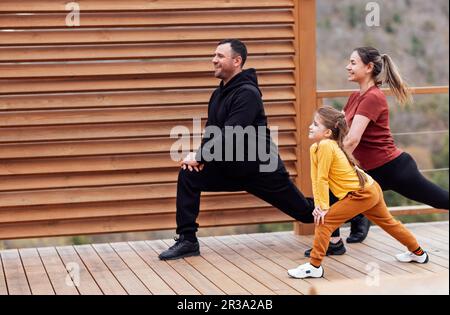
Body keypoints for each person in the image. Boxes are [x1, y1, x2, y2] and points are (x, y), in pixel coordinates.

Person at [158, 39, 317, 260]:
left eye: (220, 56)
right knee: (189, 175)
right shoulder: (218, 94)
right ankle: (188, 240)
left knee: (305, 213)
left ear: (237, 61)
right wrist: (201, 158)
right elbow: (213, 133)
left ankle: (350, 212)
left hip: (260, 169)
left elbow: (233, 133)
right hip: (230, 167)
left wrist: (201, 155)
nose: (214, 60)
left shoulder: (248, 94)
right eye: (214, 55)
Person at [305, 47, 449, 256]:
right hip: (372, 170)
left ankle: (354, 225)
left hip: (394, 169)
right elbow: (340, 129)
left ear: (369, 67)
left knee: (440, 200)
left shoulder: (373, 97)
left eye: (353, 63)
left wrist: (332, 158)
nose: (348, 66)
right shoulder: (355, 97)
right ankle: (335, 241)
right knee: (333, 190)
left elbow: (352, 138)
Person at [288, 106, 429, 279]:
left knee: (325, 222)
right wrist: (320, 205)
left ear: (327, 133)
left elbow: (322, 179)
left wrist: (323, 208)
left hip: (362, 194)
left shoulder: (326, 146)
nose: (310, 126)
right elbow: (317, 179)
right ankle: (419, 253)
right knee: (389, 223)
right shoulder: (317, 148)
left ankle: (314, 266)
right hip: (370, 188)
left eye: (316, 125)